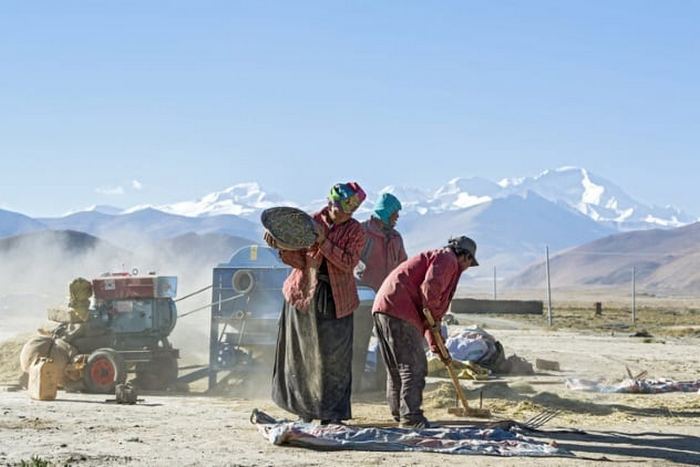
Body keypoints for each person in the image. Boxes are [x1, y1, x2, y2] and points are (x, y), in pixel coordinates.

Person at [266, 182, 366, 425]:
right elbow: (299, 260)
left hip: (337, 299)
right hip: (304, 294)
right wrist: (280, 245)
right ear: (331, 202)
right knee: (303, 354)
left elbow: (348, 263)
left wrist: (323, 242)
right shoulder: (308, 222)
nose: (343, 214)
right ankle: (306, 409)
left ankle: (332, 414)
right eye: (340, 208)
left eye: (349, 211)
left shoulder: (356, 231)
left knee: (335, 359)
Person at [371, 236, 479, 428]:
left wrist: (438, 348)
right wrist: (435, 319)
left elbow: (429, 316)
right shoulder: (448, 259)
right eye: (470, 263)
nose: (468, 267)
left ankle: (400, 413)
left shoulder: (441, 259)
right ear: (465, 257)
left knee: (398, 368)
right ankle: (410, 417)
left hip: (385, 307)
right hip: (400, 308)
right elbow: (430, 292)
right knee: (413, 367)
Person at [352, 193, 407, 392]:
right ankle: (353, 388)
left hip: (388, 300)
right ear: (385, 212)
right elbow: (351, 260)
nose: (397, 218)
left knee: (388, 345)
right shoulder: (362, 232)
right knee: (358, 343)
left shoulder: (396, 238)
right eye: (395, 214)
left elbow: (403, 265)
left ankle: (383, 388)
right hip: (363, 298)